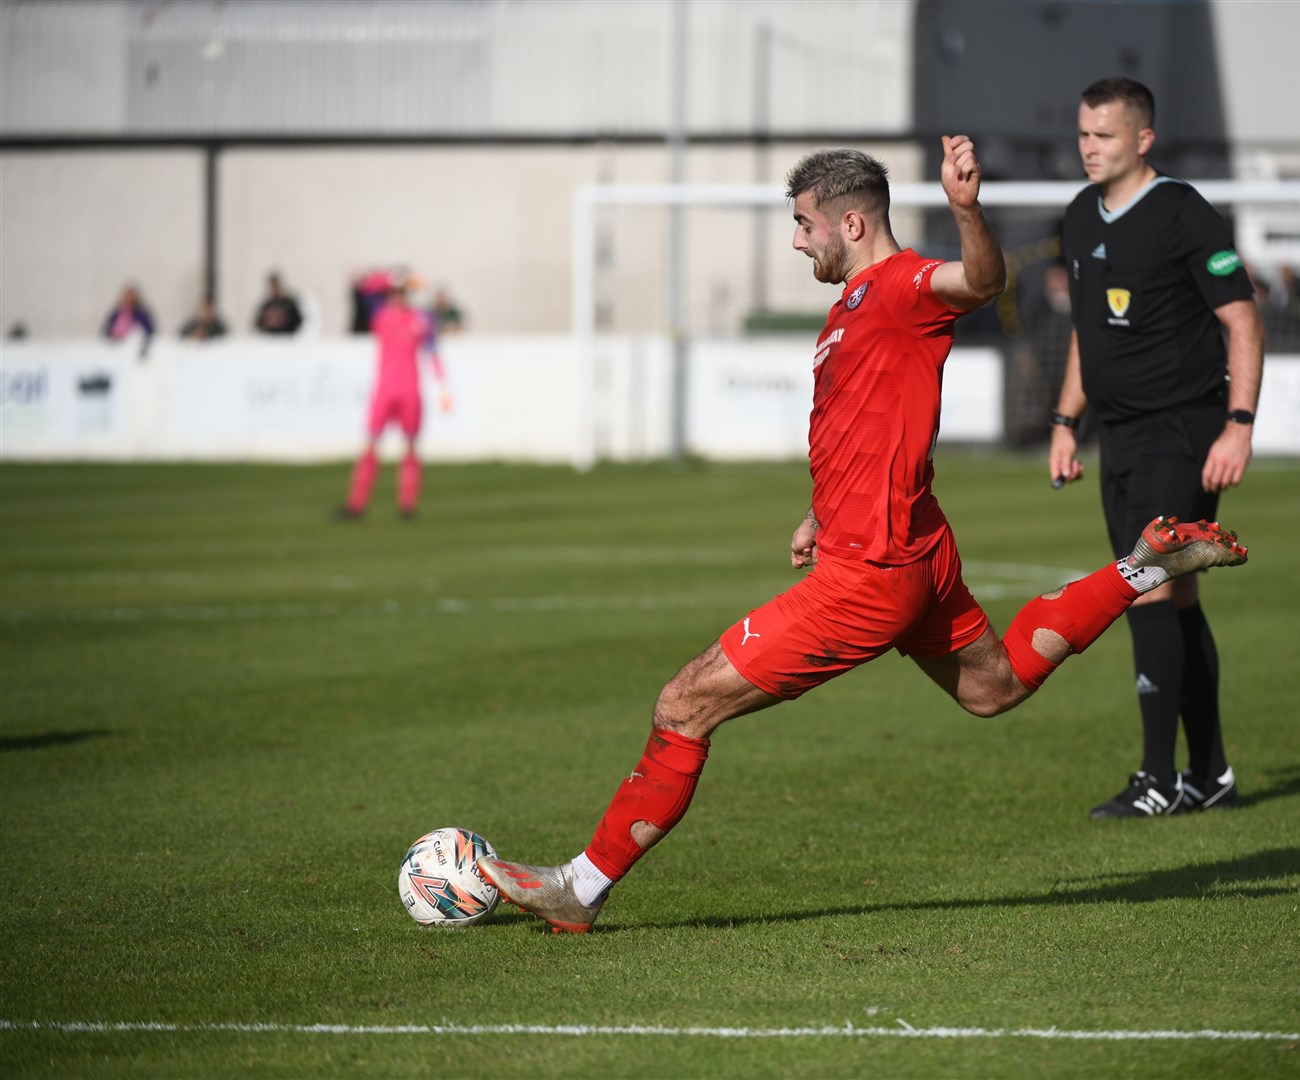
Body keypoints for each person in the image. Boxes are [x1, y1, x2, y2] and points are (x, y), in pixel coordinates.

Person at [475, 138, 1249, 932]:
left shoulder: (904, 285)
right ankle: (1137, 570)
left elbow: (980, 280)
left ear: (851, 221)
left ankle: (581, 887)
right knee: (995, 687)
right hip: (912, 548)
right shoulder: (851, 308)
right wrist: (823, 508)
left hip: (870, 572)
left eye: (805, 224)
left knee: (682, 705)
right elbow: (860, 421)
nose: (796, 239)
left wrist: (966, 209)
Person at [1047, 77, 1264, 819]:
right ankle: (1210, 776)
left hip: (1185, 430)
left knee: (1148, 584)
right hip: (1120, 438)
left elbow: (1243, 320)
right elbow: (1088, 334)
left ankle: (1156, 780)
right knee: (1176, 594)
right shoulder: (1078, 217)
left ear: (1143, 139)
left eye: (1102, 136)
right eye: (1082, 134)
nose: (1087, 147)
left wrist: (1239, 423)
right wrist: (1064, 421)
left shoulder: (1182, 213)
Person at [335, 279, 451, 520]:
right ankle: (357, 503)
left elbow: (433, 351)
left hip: (410, 391)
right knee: (370, 444)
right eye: (393, 293)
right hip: (384, 391)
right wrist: (390, 277)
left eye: (401, 293)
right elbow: (361, 290)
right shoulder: (381, 317)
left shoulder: (421, 320)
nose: (396, 298)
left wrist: (443, 387)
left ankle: (407, 505)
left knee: (410, 446)